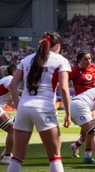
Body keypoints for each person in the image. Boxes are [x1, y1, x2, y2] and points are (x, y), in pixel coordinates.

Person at [7, 32, 71, 172]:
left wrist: (19, 105)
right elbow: (64, 88)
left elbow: (12, 85)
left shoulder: (26, 60)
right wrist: (68, 113)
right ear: (58, 46)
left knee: (17, 156)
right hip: (44, 108)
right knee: (55, 157)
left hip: (24, 107)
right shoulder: (60, 60)